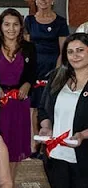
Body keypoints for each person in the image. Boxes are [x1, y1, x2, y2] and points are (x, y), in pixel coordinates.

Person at [38, 33, 88, 188]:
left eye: (80, 50)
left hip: (83, 158)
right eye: (71, 51)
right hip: (56, 156)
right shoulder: (57, 77)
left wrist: (82, 135)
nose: (75, 56)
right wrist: (46, 128)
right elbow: (45, 110)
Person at [0, 9, 36, 188]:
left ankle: (11, 185)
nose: (11, 29)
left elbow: (32, 74)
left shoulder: (29, 48)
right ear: (1, 26)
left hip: (19, 104)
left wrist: (27, 84)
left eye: (15, 24)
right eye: (7, 24)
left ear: (21, 26)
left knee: (15, 144)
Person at [25, 0, 69, 158]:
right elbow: (26, 47)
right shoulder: (29, 20)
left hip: (53, 69)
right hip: (34, 68)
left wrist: (56, 73)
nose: (43, 1)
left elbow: (63, 51)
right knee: (33, 106)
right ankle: (34, 142)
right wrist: (29, 69)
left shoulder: (60, 22)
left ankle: (50, 143)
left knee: (50, 105)